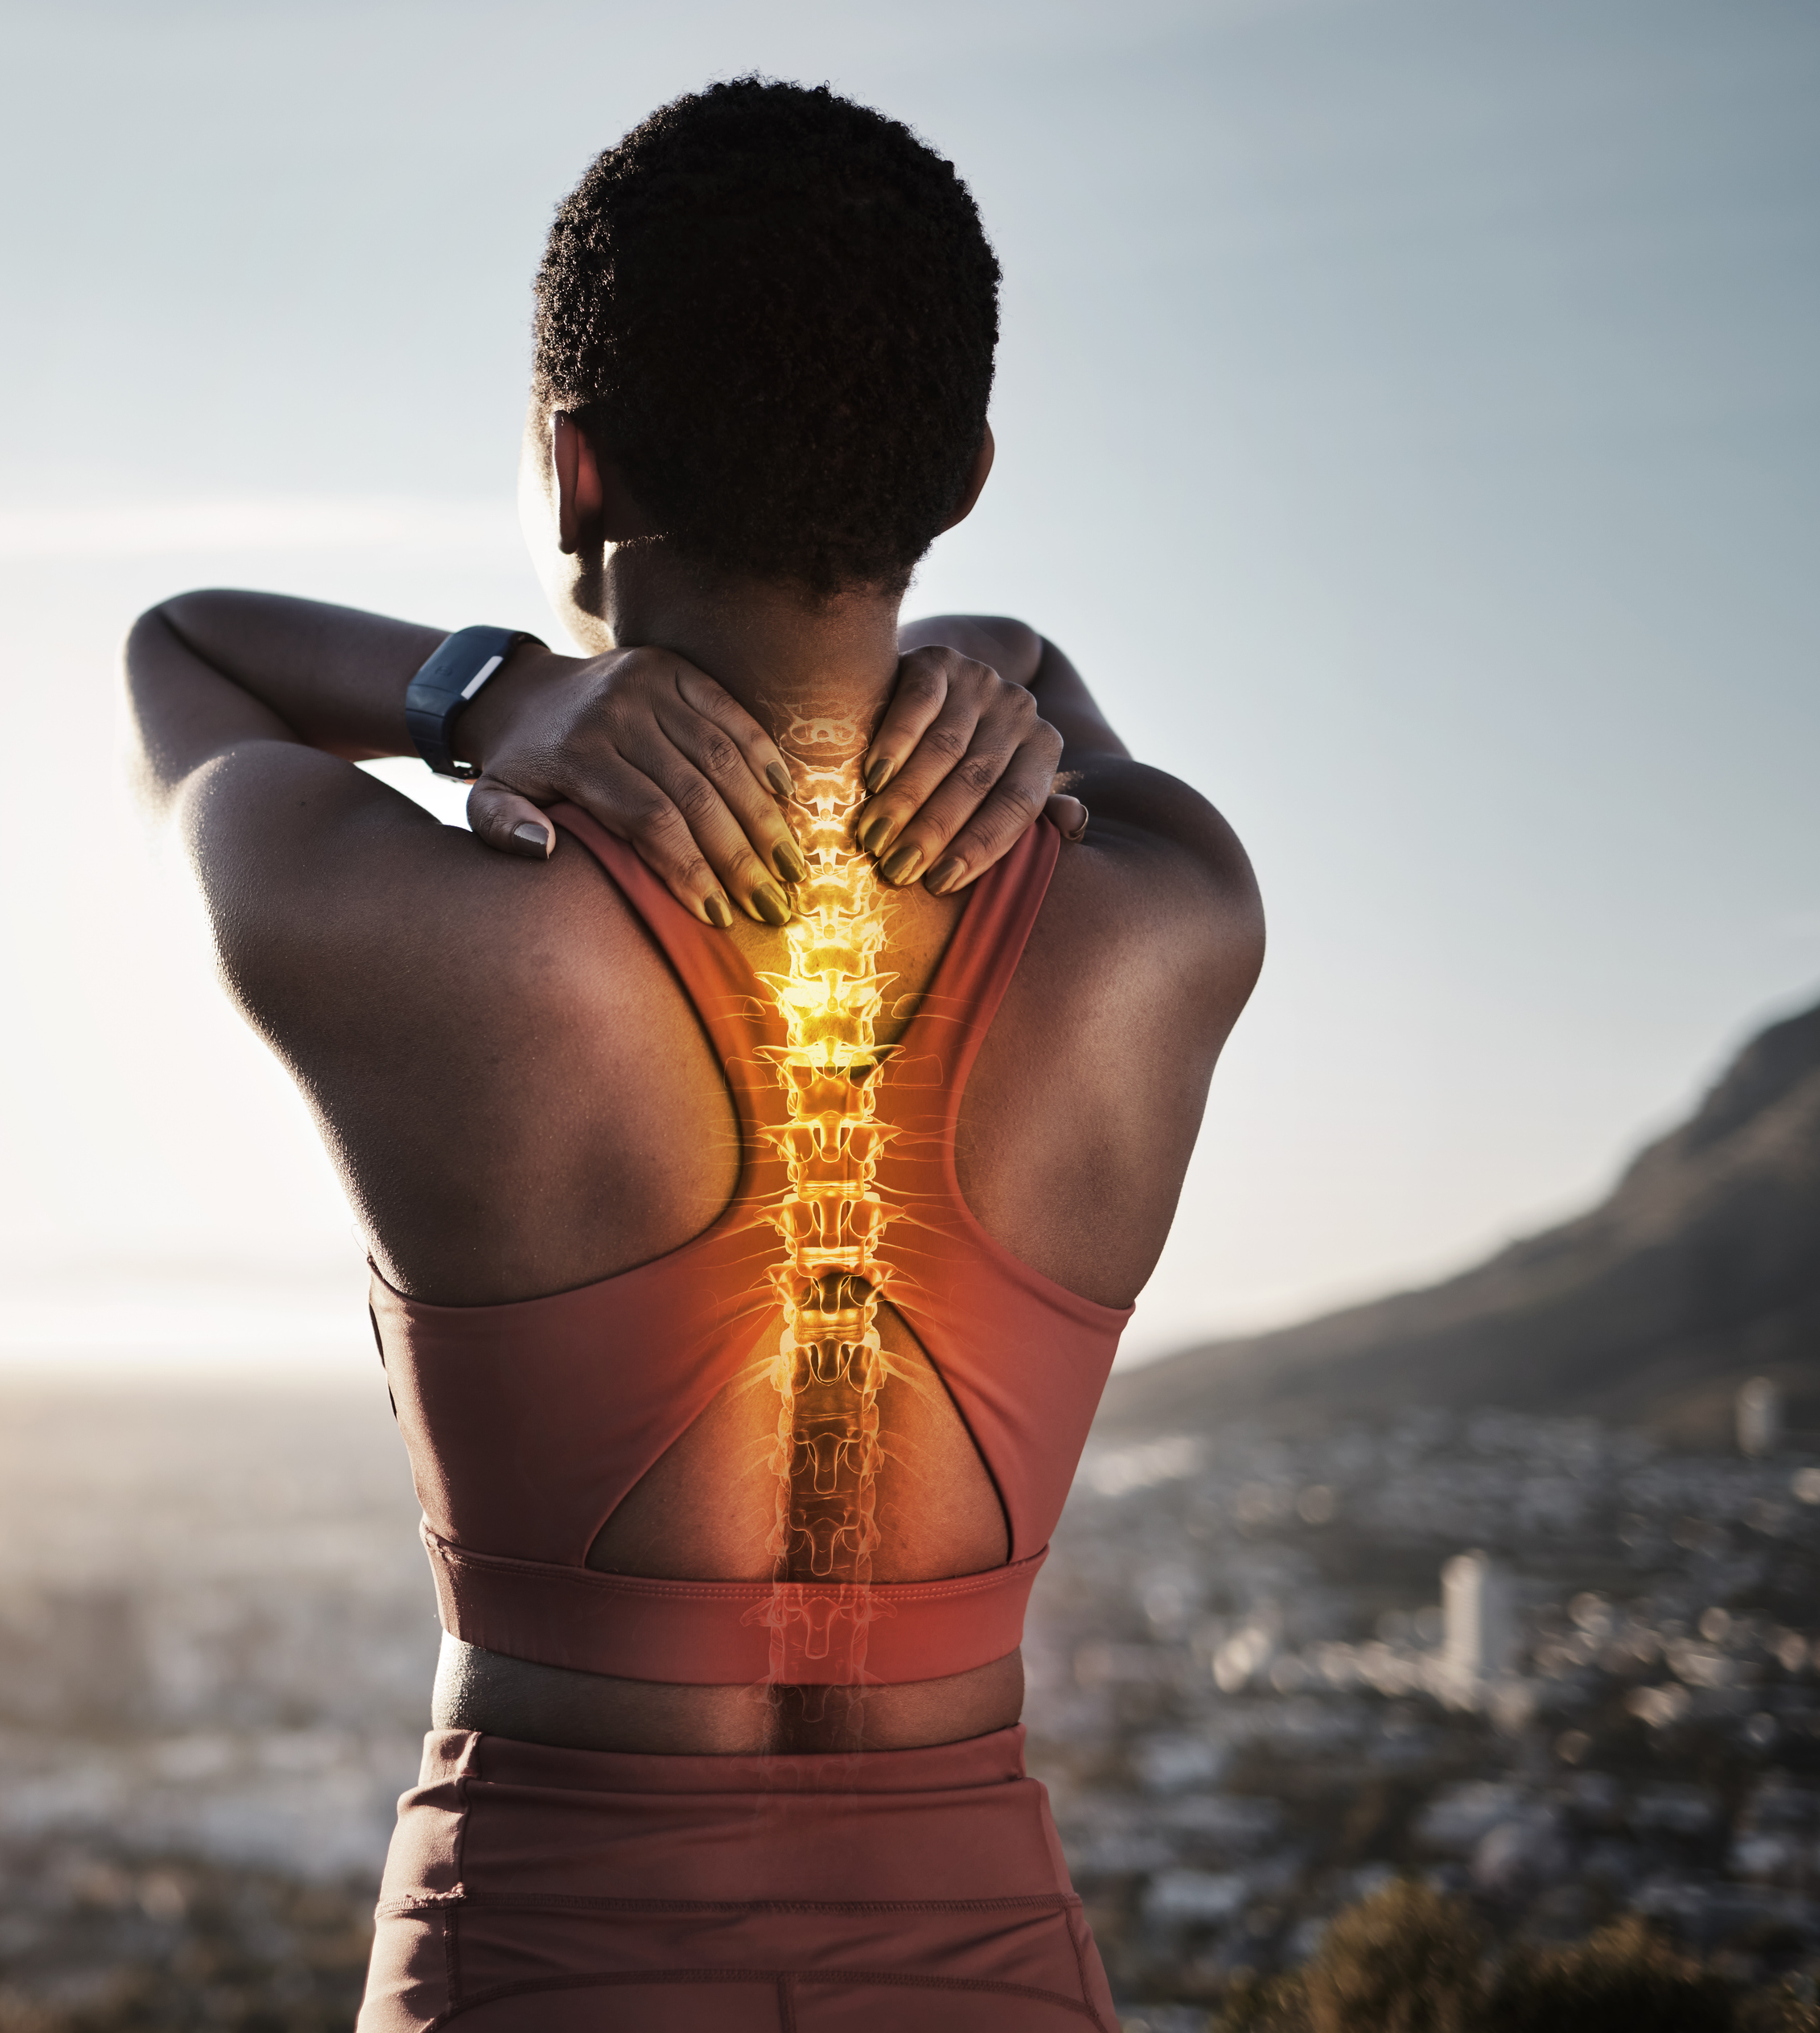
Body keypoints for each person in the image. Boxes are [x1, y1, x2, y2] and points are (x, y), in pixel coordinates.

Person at [125, 78, 1261, 2032]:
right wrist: (994, 673)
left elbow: (187, 649)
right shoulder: (1167, 914)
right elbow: (1036, 673)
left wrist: (482, 692)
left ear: (573, 471)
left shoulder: (418, 939)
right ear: (963, 473)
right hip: (985, 1964)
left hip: (545, 1954)